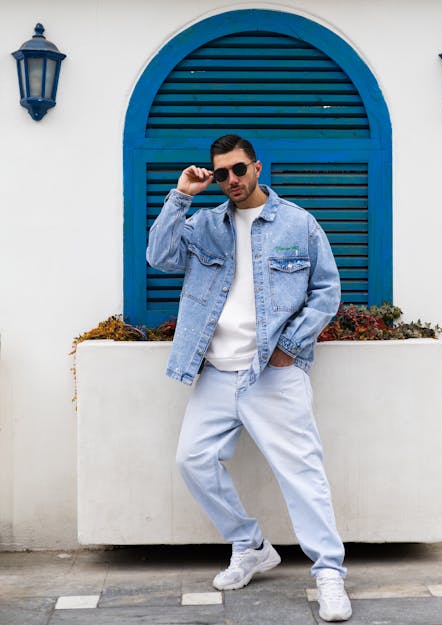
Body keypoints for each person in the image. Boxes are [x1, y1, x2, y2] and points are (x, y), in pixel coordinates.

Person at [146, 134, 351, 622]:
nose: (231, 181)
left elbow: (327, 291)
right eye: (222, 174)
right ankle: (250, 544)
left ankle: (329, 574)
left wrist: (290, 345)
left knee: (302, 476)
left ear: (257, 168)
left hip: (272, 374)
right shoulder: (203, 225)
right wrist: (180, 195)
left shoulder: (298, 223)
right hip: (215, 371)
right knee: (192, 461)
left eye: (239, 170)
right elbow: (159, 257)